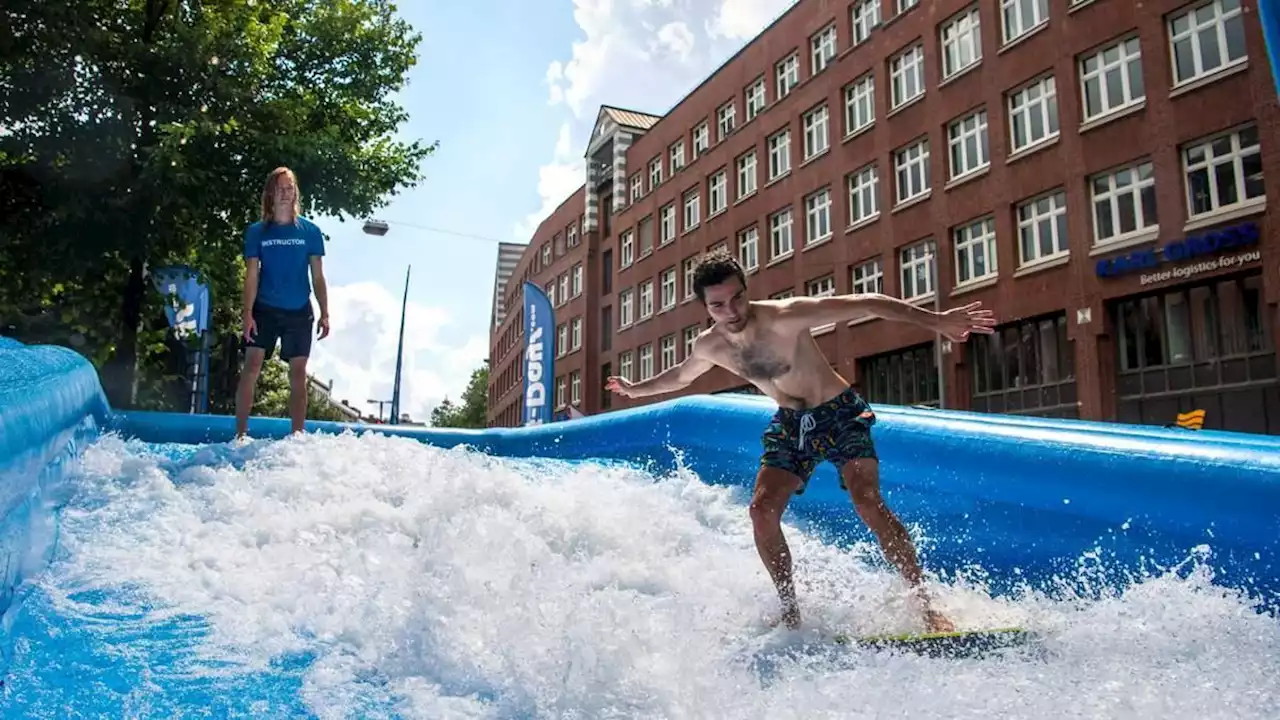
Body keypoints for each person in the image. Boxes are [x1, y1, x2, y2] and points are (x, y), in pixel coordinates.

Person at [605, 249, 996, 633]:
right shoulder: (710, 345)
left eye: (738, 296)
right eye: (719, 305)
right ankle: (791, 611)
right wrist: (636, 390)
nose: (733, 310)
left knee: (866, 501)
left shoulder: (785, 316)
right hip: (791, 424)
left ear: (746, 288)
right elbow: (681, 376)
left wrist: (937, 321)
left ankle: (924, 604)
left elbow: (868, 302)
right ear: (705, 307)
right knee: (760, 511)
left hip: (840, 413)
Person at [235, 166, 330, 438]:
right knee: (252, 364)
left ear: (295, 193)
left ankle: (297, 438)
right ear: (270, 194)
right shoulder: (257, 232)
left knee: (298, 372)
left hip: (299, 311)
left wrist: (325, 313)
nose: (286, 194)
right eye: (280, 189)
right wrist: (247, 312)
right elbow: (251, 275)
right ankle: (240, 435)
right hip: (264, 309)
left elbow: (318, 276)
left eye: (290, 188)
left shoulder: (310, 232)